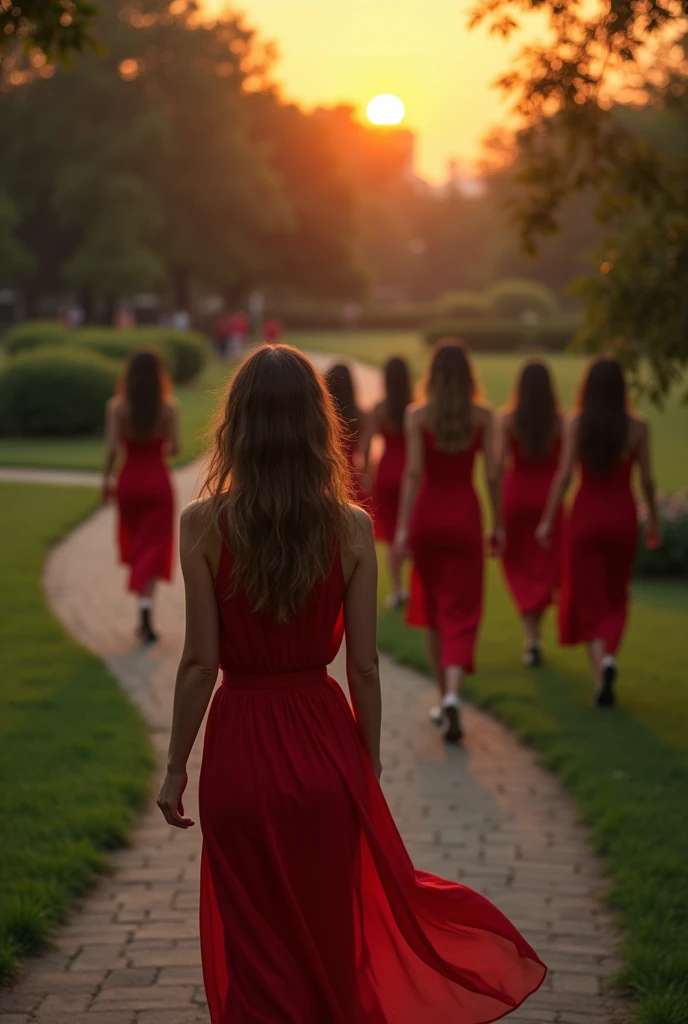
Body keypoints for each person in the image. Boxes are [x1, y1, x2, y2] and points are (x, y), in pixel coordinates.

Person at [156, 343, 546, 1023]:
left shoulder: (202, 524)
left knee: (256, 946)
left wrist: (174, 769)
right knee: (326, 933)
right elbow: (362, 667)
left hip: (239, 753)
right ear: (317, 424)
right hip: (322, 750)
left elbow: (198, 663)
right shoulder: (354, 528)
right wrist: (364, 762)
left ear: (237, 424)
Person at [395, 339, 503, 743]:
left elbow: (414, 474)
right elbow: (492, 475)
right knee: (463, 611)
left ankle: (443, 699)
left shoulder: (417, 416)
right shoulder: (484, 416)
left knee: (434, 610)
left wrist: (404, 528)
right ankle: (454, 695)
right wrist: (500, 524)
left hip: (427, 521)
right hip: (465, 520)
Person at [537, 357, 659, 706]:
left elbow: (563, 478)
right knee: (616, 595)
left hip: (586, 517)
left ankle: (600, 670)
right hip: (622, 516)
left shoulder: (577, 425)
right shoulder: (639, 427)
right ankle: (608, 659)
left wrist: (547, 521)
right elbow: (648, 480)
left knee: (585, 598)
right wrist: (652, 519)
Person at [102, 349, 179, 644]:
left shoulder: (117, 408)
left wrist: (104, 480)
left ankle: (142, 606)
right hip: (157, 481)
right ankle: (146, 608)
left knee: (137, 545)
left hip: (129, 480)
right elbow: (174, 448)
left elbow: (112, 451)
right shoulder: (169, 409)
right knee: (154, 547)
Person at [498, 360, 563, 666]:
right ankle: (536, 636)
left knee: (519, 566)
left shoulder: (508, 420)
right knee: (545, 566)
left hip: (517, 497)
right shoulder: (560, 422)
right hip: (549, 498)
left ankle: (531, 639)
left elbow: (497, 467)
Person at [362, 356, 412, 608]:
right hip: (411, 470)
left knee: (393, 534)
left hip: (387, 471)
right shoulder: (415, 406)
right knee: (411, 529)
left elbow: (368, 445)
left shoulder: (380, 408)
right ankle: (416, 585)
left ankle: (397, 588)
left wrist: (367, 475)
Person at [325, 362, 368, 504]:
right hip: (351, 475)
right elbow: (364, 450)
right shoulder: (359, 415)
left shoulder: (324, 416)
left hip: (327, 473)